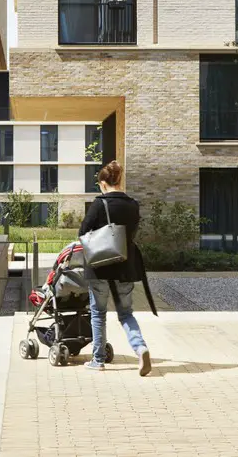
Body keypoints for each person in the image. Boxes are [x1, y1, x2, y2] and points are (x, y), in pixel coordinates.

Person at [79, 160, 157, 375]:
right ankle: (140, 348)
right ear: (119, 180)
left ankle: (98, 359)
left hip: (99, 267)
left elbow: (83, 233)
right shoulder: (133, 204)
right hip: (124, 266)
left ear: (103, 183)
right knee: (126, 314)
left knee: (98, 313)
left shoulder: (98, 204)